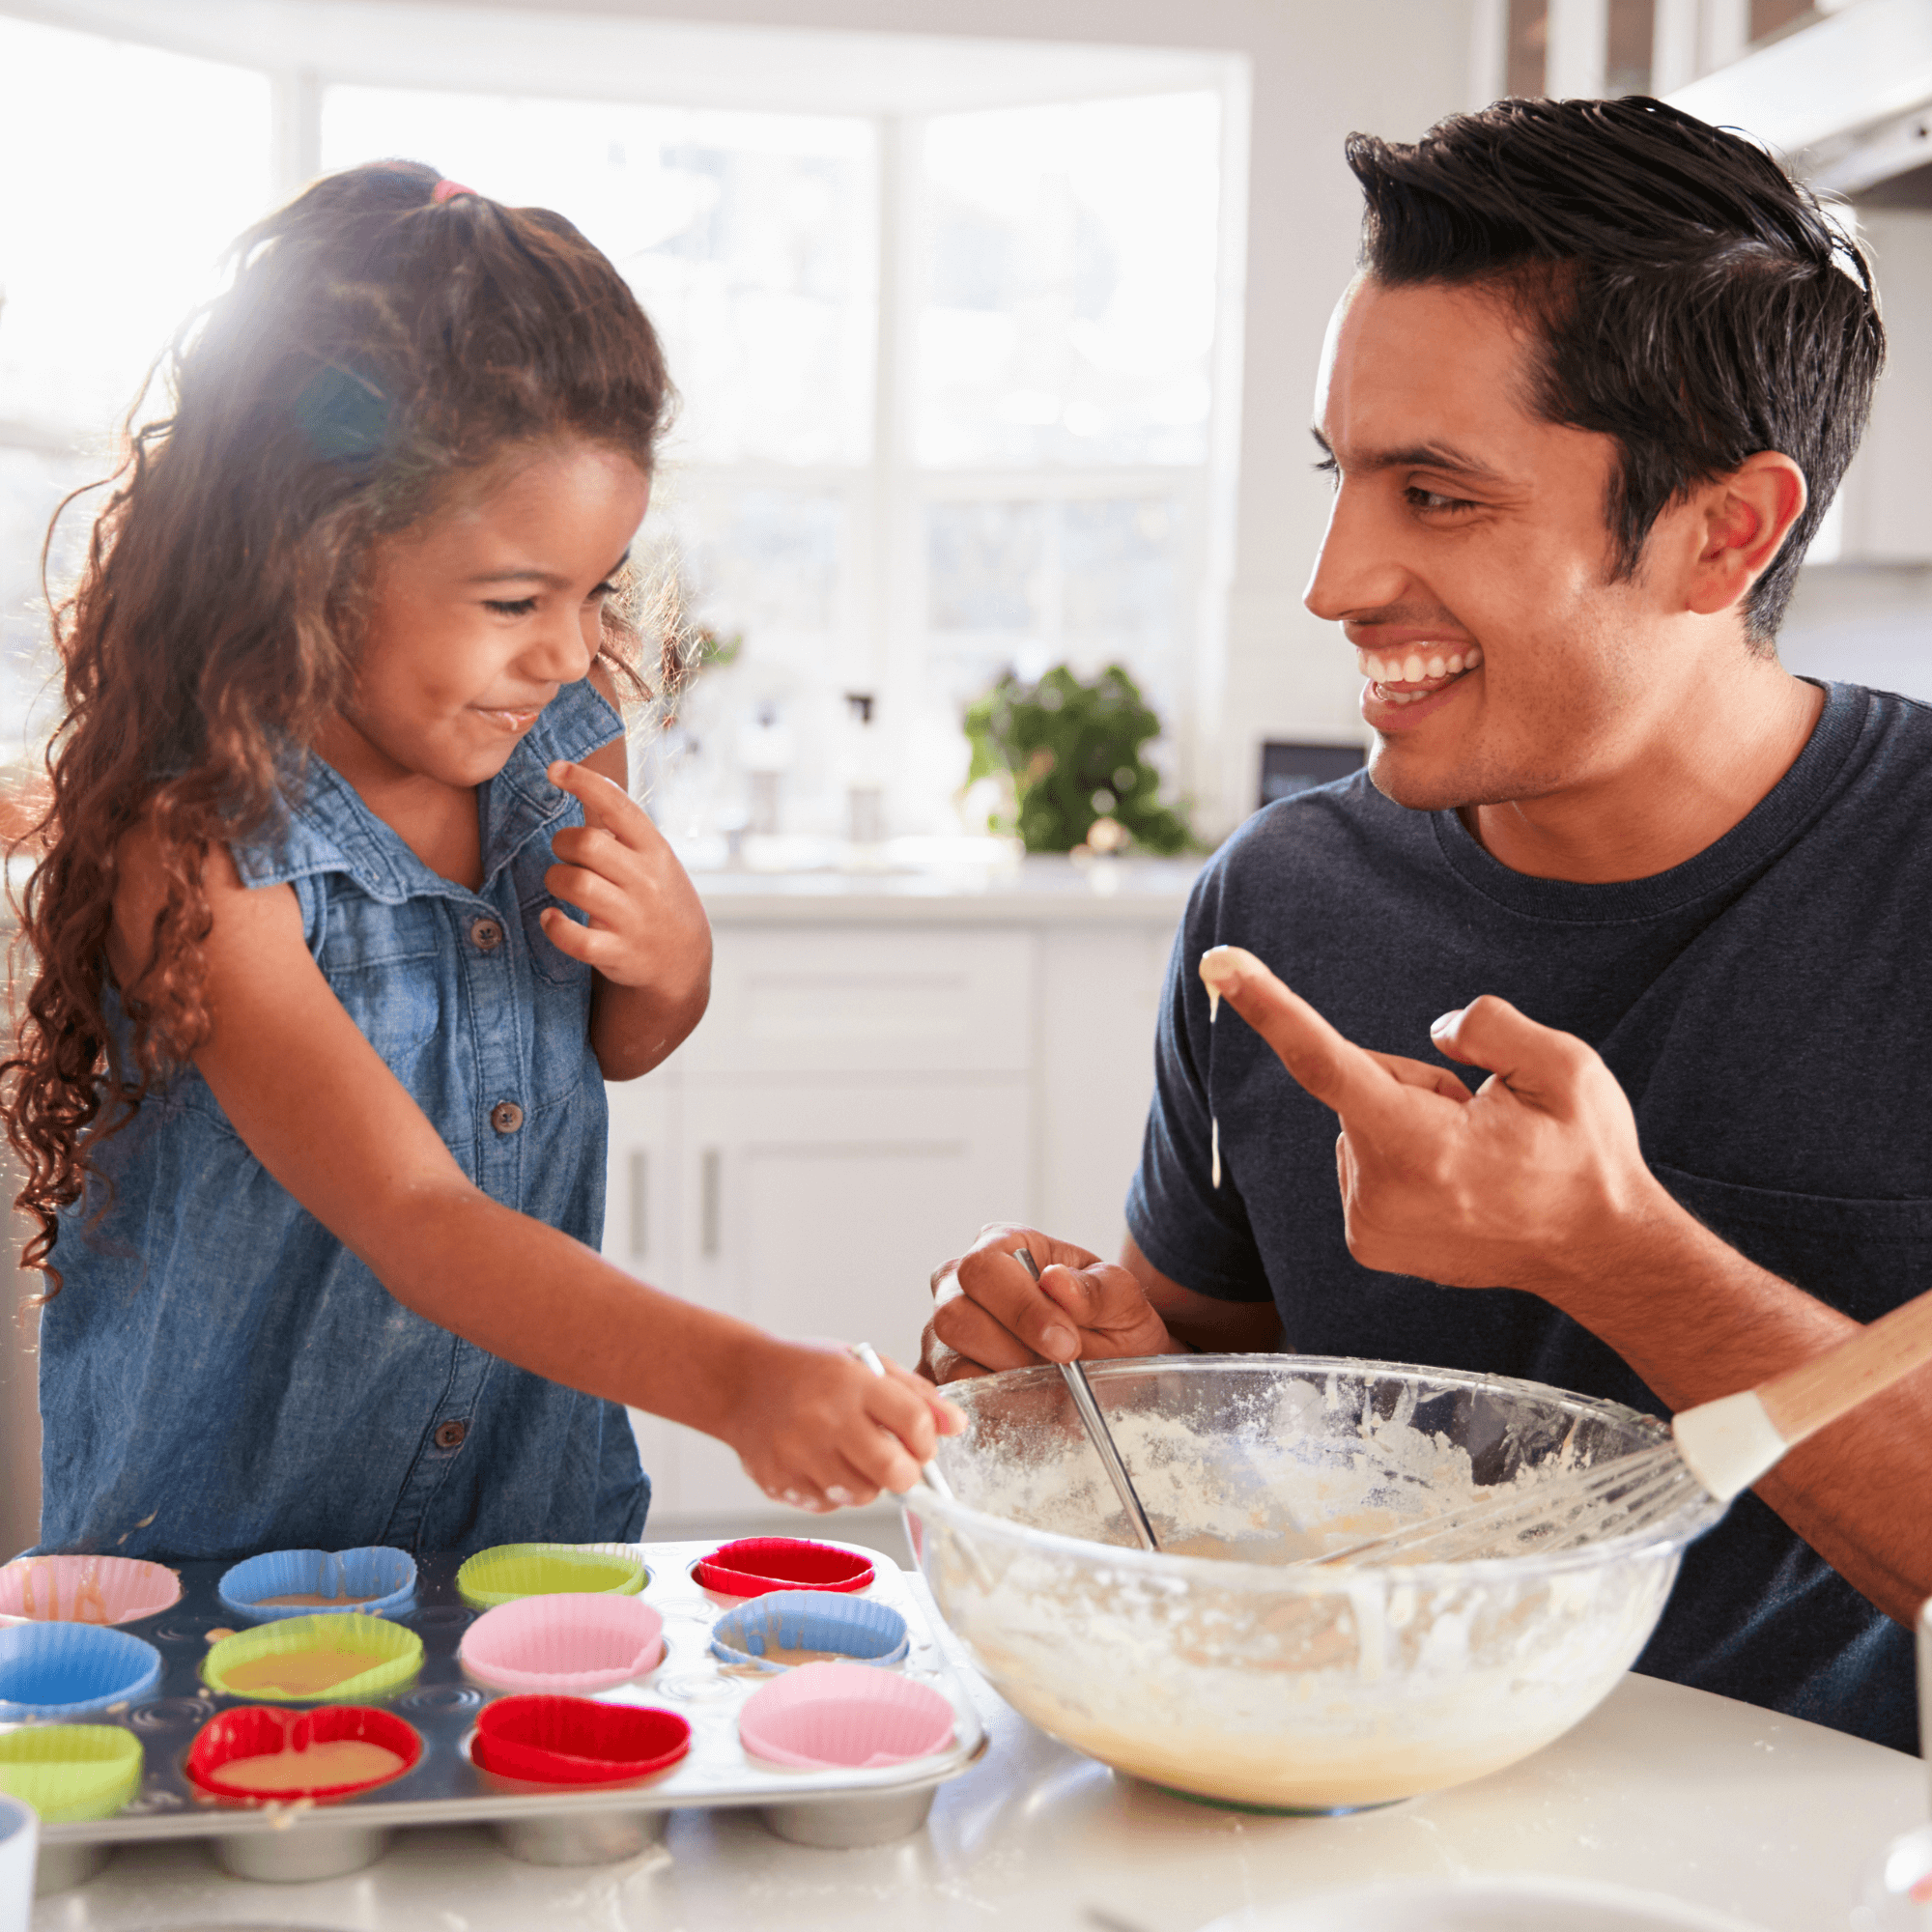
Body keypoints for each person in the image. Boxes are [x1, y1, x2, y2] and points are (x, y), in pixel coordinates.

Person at [923, 97, 1928, 1752]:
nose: (1334, 579)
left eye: (1437, 496)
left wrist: (1613, 1253)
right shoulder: (1280, 900)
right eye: (1344, 476)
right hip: (1343, 1807)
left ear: (1721, 532)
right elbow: (1228, 1382)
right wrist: (1094, 1365)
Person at [4, 161, 956, 1563]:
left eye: (595, 592)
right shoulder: (196, 849)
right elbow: (413, 1212)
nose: (570, 651)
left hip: (527, 1527)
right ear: (309, 559)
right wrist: (740, 1381)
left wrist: (677, 962)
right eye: (516, 599)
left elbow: (612, 1043)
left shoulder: (561, 745)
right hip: (221, 1571)